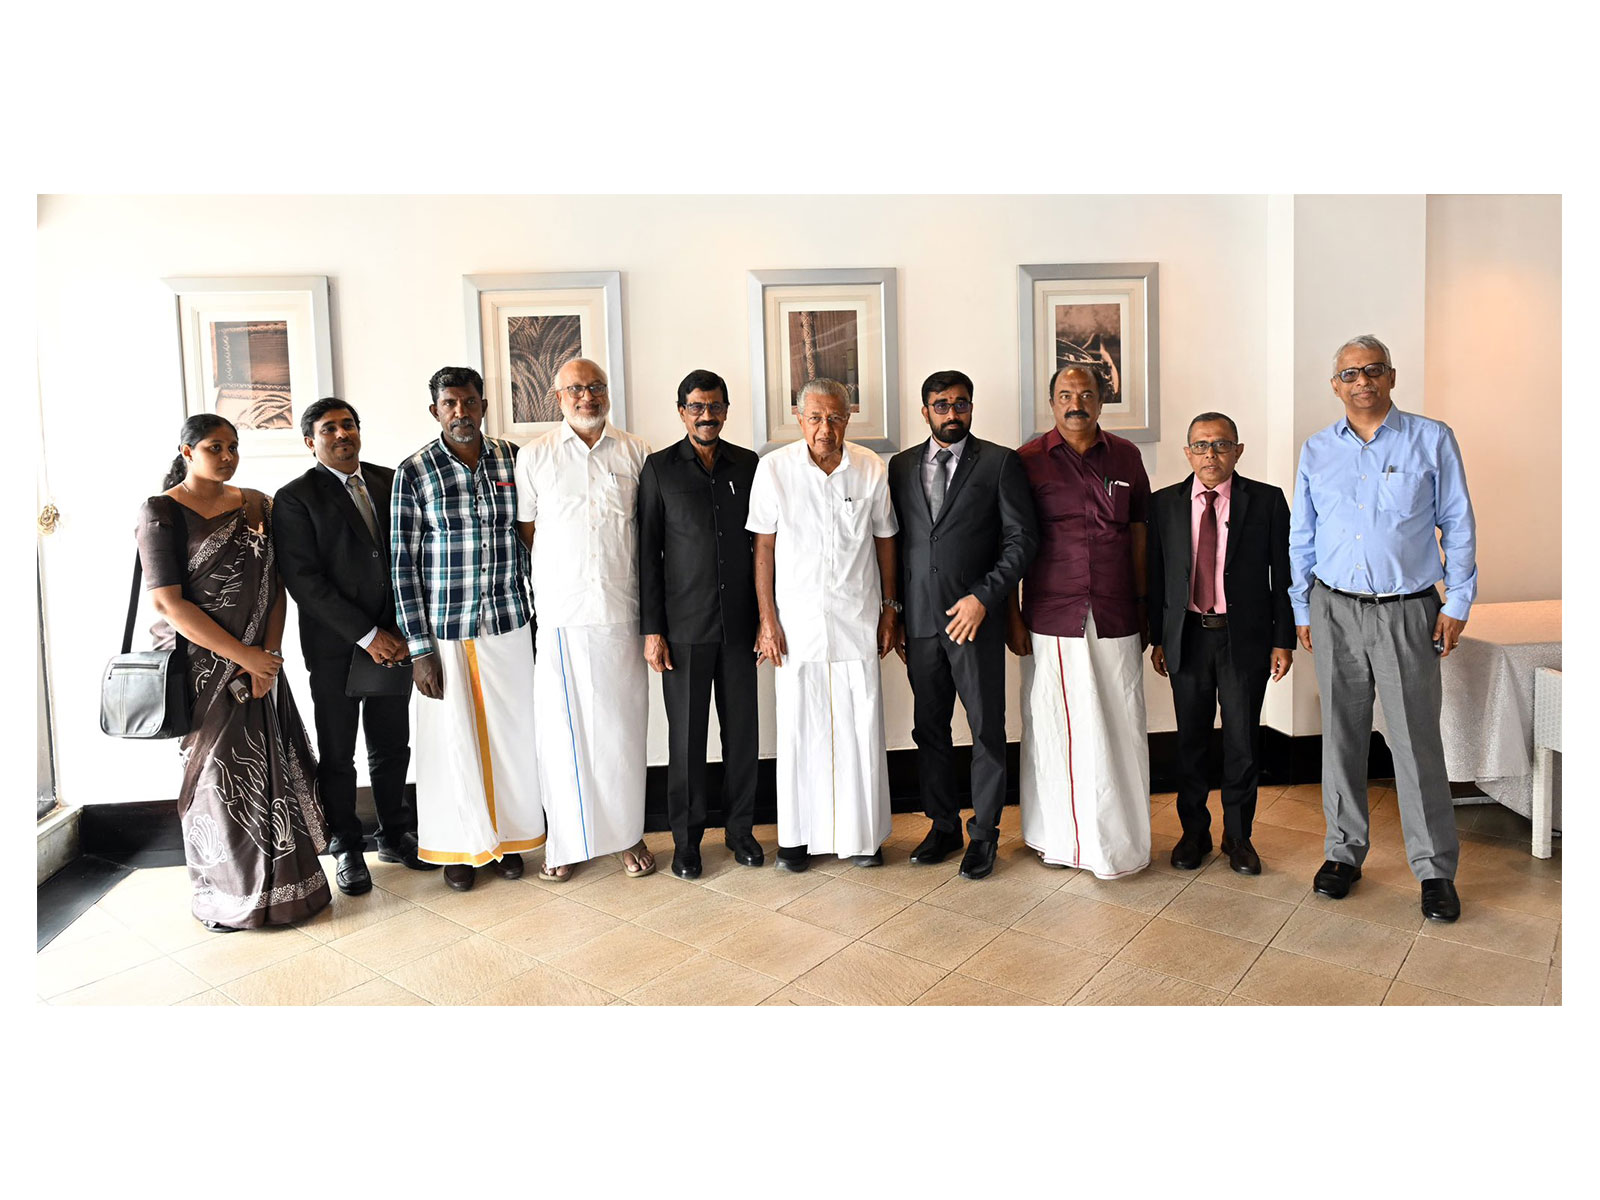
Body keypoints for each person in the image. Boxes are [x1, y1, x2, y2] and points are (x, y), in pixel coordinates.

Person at [1290, 335, 1477, 922]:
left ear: (1391, 377)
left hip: (1406, 611)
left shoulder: (1432, 438)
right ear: (1335, 385)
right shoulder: (1317, 450)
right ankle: (1344, 853)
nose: (1361, 381)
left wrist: (1458, 601)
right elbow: (1303, 536)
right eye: (1350, 373)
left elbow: (1459, 524)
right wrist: (1302, 610)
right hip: (1334, 609)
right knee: (1341, 735)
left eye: (1373, 370)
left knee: (1415, 741)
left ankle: (1434, 870)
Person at [135, 414, 331, 931]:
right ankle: (230, 897)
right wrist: (243, 659)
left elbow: (276, 586)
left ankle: (294, 893)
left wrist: (268, 657)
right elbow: (169, 606)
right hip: (201, 674)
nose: (227, 456)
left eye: (233, 447)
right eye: (214, 447)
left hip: (261, 666)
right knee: (221, 783)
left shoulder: (256, 505)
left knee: (274, 770)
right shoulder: (161, 513)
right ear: (186, 451)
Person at [273, 397, 435, 897]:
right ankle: (345, 844)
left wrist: (404, 631)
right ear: (310, 442)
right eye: (329, 429)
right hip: (338, 647)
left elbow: (415, 555)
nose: (342, 434)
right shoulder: (295, 497)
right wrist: (368, 635)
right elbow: (304, 580)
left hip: (397, 640)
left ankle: (394, 834)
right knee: (338, 753)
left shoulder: (393, 480)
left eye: (349, 425)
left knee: (391, 746)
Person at [391, 366, 544, 892]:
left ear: (484, 405)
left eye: (470, 402)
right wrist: (418, 650)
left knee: (513, 736)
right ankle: (458, 846)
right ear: (435, 410)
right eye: (450, 404)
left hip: (508, 619)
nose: (461, 412)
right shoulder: (414, 471)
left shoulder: (512, 458)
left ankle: (510, 840)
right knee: (448, 741)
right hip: (445, 630)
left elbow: (532, 536)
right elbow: (401, 565)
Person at [888, 369, 1038, 880]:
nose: (953, 413)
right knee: (928, 729)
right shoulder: (901, 466)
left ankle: (985, 833)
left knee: (986, 730)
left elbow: (1021, 542)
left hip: (975, 621)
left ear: (971, 407)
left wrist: (983, 598)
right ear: (924, 410)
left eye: (961, 404)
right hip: (922, 624)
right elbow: (898, 544)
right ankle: (943, 824)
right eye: (942, 404)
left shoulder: (999, 462)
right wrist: (898, 614)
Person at [747, 378, 900, 871]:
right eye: (815, 417)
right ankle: (796, 840)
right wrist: (767, 620)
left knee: (860, 727)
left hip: (857, 620)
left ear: (848, 418)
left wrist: (890, 608)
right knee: (798, 731)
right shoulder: (773, 470)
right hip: (797, 626)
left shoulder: (870, 468)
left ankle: (863, 838)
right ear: (799, 418)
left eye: (835, 417)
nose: (825, 428)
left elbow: (885, 541)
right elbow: (763, 548)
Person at [1010, 364, 1152, 879]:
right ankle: (1056, 838)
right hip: (1052, 614)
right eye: (1066, 394)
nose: (1076, 403)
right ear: (1051, 403)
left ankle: (1119, 841)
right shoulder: (1026, 461)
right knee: (1055, 728)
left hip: (1117, 612)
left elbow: (1138, 534)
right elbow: (1010, 545)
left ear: (1101, 401)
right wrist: (1012, 615)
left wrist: (1144, 605)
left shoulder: (1127, 457)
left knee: (1121, 725)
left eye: (1086, 394)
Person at [516, 358, 655, 881]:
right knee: (560, 731)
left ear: (608, 392)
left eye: (596, 387)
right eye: (576, 389)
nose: (587, 397)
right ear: (558, 397)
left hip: (622, 611)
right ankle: (568, 840)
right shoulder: (535, 457)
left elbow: (647, 534)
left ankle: (626, 834)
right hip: (560, 615)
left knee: (622, 731)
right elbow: (530, 530)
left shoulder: (638, 452)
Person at [1147, 412, 1293, 875]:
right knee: (1190, 741)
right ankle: (1194, 834)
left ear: (1238, 450)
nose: (1211, 454)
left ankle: (1239, 836)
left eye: (1221, 444)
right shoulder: (1164, 504)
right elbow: (1156, 577)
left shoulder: (1267, 502)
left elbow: (1284, 578)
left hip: (1244, 638)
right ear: (1188, 452)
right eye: (1201, 445)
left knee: (1242, 742)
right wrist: (1158, 638)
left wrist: (1282, 639)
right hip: (1187, 637)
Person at [637, 369, 764, 879]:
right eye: (696, 406)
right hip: (683, 630)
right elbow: (646, 554)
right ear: (681, 411)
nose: (706, 415)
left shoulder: (750, 465)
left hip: (740, 627)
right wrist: (653, 630)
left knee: (742, 735)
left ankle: (740, 832)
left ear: (727, 410)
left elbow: (765, 546)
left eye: (714, 406)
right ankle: (686, 842)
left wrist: (767, 618)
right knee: (686, 742)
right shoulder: (659, 469)